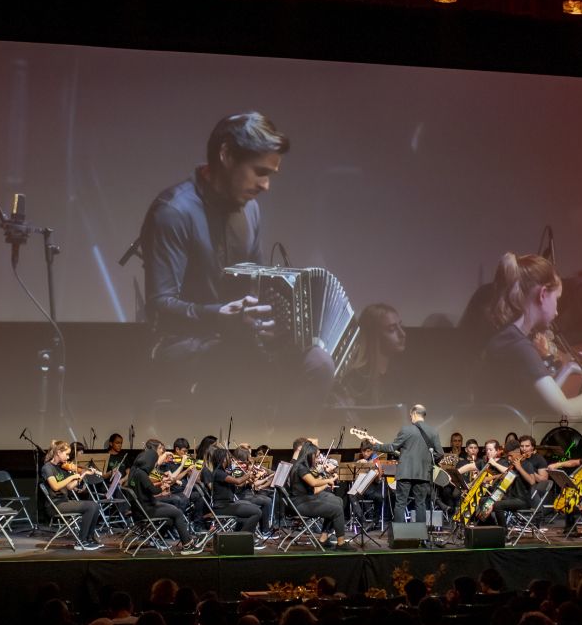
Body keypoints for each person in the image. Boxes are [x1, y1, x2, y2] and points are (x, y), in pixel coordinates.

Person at [137, 111, 333, 417]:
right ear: (226, 154)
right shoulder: (173, 211)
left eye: (271, 175)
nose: (266, 185)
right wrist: (218, 317)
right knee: (244, 366)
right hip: (183, 343)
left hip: (237, 341)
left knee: (319, 362)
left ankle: (287, 455)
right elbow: (160, 307)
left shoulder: (250, 210)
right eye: (259, 172)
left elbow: (256, 284)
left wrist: (274, 322)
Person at [472, 253, 582, 422]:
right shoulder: (519, 346)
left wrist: (569, 368)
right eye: (557, 299)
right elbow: (566, 414)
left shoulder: (509, 337)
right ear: (542, 295)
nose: (556, 311)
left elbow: (543, 399)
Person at [365, 404, 441, 527]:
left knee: (400, 503)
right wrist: (426, 462)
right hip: (422, 473)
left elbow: (391, 448)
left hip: (405, 472)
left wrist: (375, 445)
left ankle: (400, 536)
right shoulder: (433, 432)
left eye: (411, 415)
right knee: (420, 504)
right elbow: (439, 453)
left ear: (415, 414)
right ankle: (421, 536)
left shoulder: (406, 430)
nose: (410, 417)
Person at [128, 440, 203, 554]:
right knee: (177, 512)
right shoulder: (142, 474)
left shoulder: (134, 471)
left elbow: (146, 488)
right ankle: (187, 545)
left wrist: (161, 482)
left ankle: (162, 537)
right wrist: (163, 486)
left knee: (172, 512)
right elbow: (154, 490)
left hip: (140, 508)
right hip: (146, 510)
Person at [333, 302, 407, 406]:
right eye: (392, 329)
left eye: (401, 326)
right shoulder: (356, 379)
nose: (403, 334)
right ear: (374, 335)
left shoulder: (399, 374)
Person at [287, 441, 353, 550]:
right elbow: (313, 483)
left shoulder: (302, 466)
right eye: (316, 457)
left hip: (305, 499)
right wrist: (330, 479)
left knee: (338, 501)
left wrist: (325, 480)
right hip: (300, 504)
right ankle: (341, 543)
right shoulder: (300, 467)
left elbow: (313, 488)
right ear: (309, 455)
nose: (318, 460)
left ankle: (323, 538)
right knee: (336, 509)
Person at [40, 440, 103, 551]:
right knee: (90, 507)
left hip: (64, 502)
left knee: (95, 505)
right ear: (58, 452)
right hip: (54, 505)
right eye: (67, 454)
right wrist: (70, 477)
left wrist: (82, 474)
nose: (68, 457)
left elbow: (69, 487)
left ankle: (89, 538)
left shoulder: (61, 467)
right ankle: (81, 541)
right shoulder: (47, 468)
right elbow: (55, 486)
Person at [206, 446, 264, 538]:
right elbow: (237, 481)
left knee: (251, 507)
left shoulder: (222, 472)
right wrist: (248, 474)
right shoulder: (219, 473)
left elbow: (238, 485)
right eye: (229, 457)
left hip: (228, 504)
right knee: (257, 512)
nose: (231, 459)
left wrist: (248, 477)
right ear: (223, 459)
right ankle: (242, 538)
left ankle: (239, 534)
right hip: (222, 507)